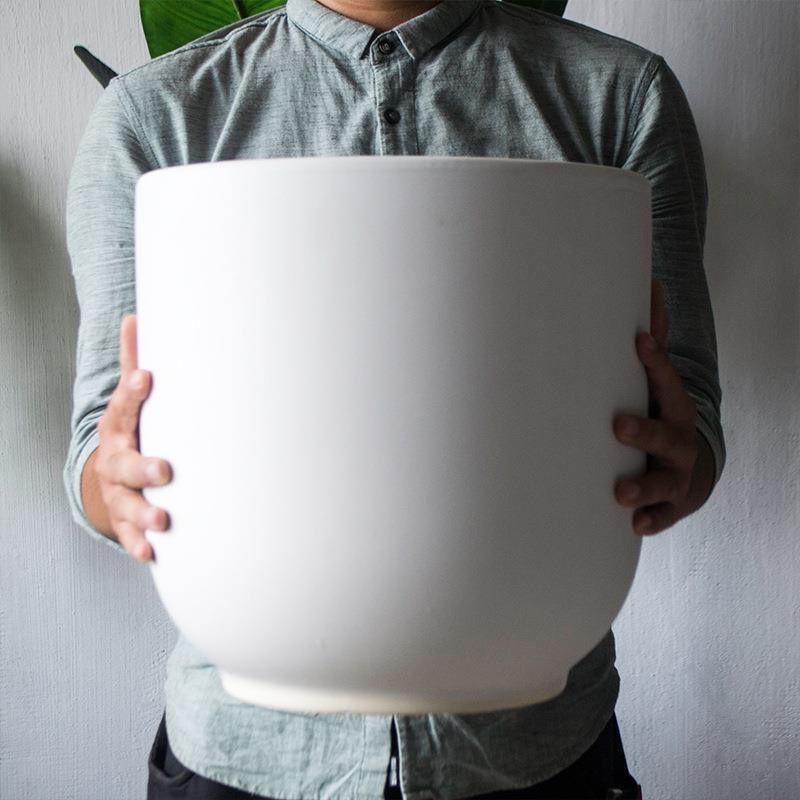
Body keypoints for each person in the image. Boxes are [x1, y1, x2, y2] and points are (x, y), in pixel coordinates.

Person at [63, 1, 726, 798]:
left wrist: (679, 466)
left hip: (535, 746)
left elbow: (688, 419)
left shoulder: (619, 95)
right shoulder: (155, 113)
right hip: (246, 752)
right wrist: (113, 484)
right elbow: (98, 448)